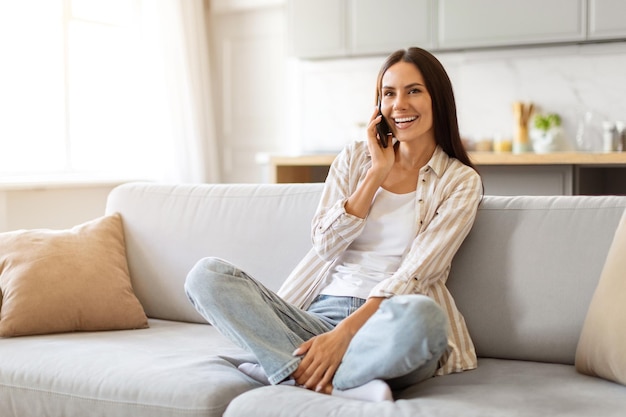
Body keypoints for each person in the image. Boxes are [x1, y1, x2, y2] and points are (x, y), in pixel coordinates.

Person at [184, 47, 482, 402]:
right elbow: (324, 244)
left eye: (413, 90)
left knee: (426, 319)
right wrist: (375, 173)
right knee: (206, 276)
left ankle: (284, 368)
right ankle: (349, 383)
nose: (399, 104)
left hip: (388, 323)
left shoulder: (460, 181)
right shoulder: (356, 158)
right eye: (389, 93)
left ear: (438, 98)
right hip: (318, 317)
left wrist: (343, 336)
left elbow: (418, 274)